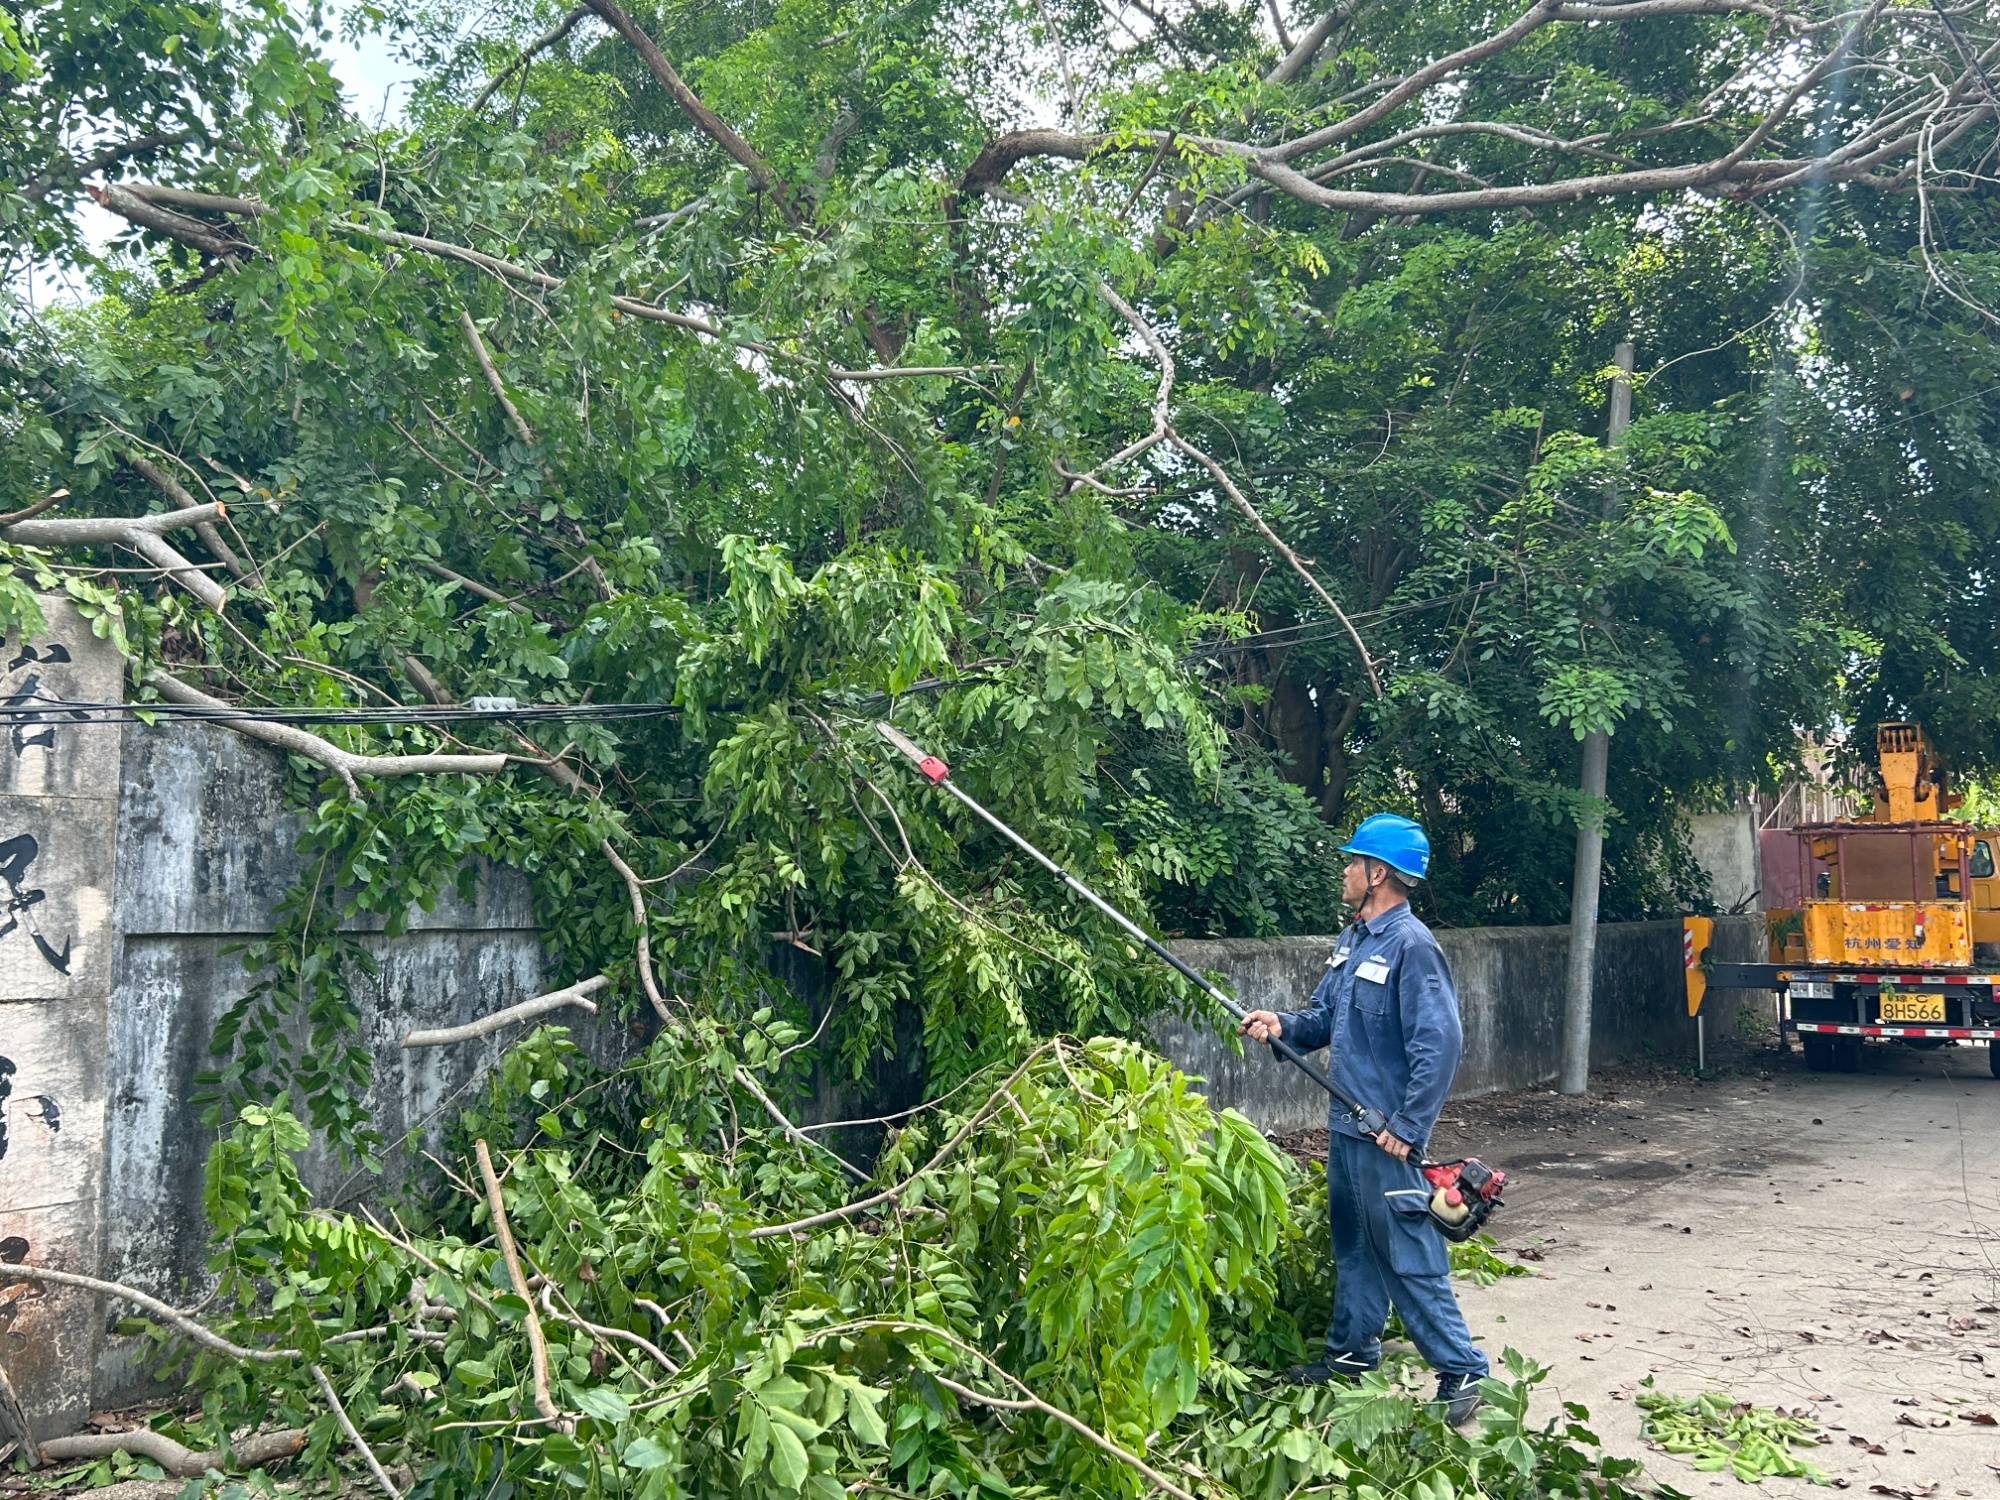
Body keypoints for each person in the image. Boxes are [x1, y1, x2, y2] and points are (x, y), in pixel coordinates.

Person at [1238, 812, 1489, 1426]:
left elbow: (1442, 1045)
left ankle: (1462, 1369)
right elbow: (1323, 1019)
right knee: (1354, 1246)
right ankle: (1351, 1355)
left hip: (1387, 1136)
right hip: (1349, 1126)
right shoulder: (1356, 940)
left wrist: (1407, 1127)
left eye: (1354, 862)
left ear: (1378, 873)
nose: (1345, 871)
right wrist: (1281, 1026)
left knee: (1406, 1251)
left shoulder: (1412, 946)